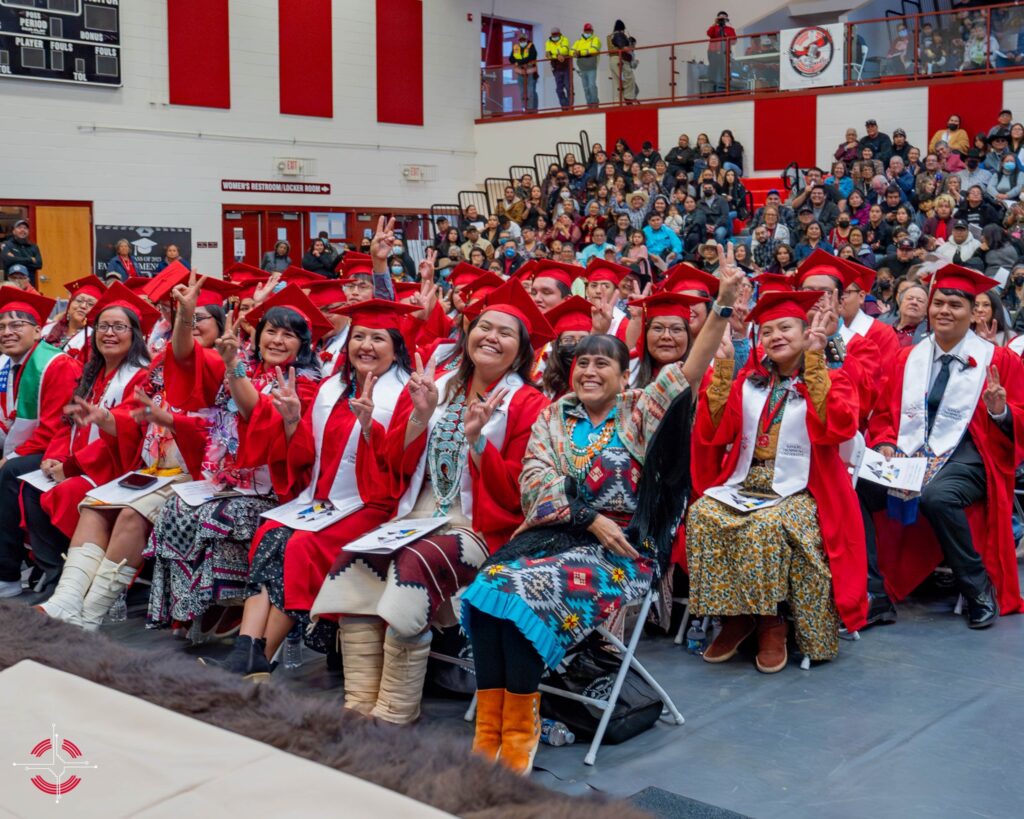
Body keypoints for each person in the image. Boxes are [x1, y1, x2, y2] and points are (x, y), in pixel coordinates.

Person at [460, 258, 743, 774]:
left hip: (625, 552)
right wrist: (588, 518)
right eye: (582, 364)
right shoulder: (554, 415)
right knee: (486, 588)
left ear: (622, 374)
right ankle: (490, 731)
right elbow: (535, 482)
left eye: (602, 365)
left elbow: (691, 369)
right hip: (558, 537)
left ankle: (519, 738)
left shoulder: (640, 409)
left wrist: (722, 305)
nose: (589, 372)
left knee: (520, 593)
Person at [312, 279, 552, 725]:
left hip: (479, 526)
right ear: (468, 334)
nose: (491, 337)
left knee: (414, 564)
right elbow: (394, 464)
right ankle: (359, 703)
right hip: (417, 514)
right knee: (356, 558)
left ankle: (396, 711)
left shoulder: (529, 404)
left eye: (505, 333)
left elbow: (521, 491)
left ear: (521, 351)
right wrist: (419, 417)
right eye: (484, 327)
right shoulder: (438, 385)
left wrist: (478, 443)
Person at [36, 276, 232, 629]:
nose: (191, 324)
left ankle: (89, 615)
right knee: (95, 506)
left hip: (195, 473)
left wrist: (170, 420)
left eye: (200, 317)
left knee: (129, 513)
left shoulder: (221, 365)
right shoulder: (159, 365)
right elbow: (135, 419)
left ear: (221, 325)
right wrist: (106, 419)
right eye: (184, 316)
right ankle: (66, 600)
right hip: (152, 469)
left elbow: (219, 428)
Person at [688, 286, 867, 672]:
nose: (775, 337)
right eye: (767, 331)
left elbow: (839, 428)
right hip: (748, 480)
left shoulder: (832, 376)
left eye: (785, 328)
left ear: (805, 333)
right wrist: (722, 370)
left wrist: (815, 364)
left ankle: (772, 621)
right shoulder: (751, 381)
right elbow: (717, 432)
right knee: (702, 514)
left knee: (765, 525)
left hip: (808, 487)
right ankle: (737, 615)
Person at [146, 284, 328, 631]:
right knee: (175, 508)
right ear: (257, 336)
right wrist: (186, 315)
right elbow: (186, 357)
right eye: (271, 331)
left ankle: (233, 599)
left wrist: (232, 365)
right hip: (230, 481)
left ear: (303, 345)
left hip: (276, 490)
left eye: (288, 335)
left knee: (218, 516)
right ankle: (197, 605)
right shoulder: (246, 367)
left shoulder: (305, 385)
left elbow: (254, 412)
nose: (277, 340)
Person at [861, 264, 1024, 628]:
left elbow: (1020, 413)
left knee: (937, 496)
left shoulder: (997, 360)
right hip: (910, 454)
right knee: (858, 487)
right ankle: (876, 593)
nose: (944, 311)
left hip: (971, 458)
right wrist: (885, 441)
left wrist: (1000, 411)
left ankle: (977, 587)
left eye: (955, 304)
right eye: (939, 303)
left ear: (973, 312)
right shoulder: (908, 358)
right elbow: (884, 413)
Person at [20, 284, 157, 594]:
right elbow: (67, 423)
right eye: (103, 327)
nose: (109, 333)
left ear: (135, 335)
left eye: (119, 327)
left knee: (68, 491)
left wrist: (71, 466)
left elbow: (129, 430)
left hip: (115, 467)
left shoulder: (140, 376)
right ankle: (56, 570)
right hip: (79, 463)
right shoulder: (92, 373)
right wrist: (54, 457)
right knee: (28, 487)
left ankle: (84, 577)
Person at [0, 289, 81, 599]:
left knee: (10, 472)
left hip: (62, 450)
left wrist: (11, 457)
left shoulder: (55, 365)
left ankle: (7, 573)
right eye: (1, 326)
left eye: (16, 325)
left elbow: (56, 427)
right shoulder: (11, 366)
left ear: (37, 331)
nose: (7, 332)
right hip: (37, 446)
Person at [41, 275, 102, 364]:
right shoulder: (47, 328)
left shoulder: (93, 339)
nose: (83, 306)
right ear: (69, 306)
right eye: (79, 301)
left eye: (90, 304)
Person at [2, 219, 42, 287]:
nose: (22, 230)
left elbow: (39, 264)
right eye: (19, 227)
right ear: (14, 231)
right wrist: (30, 259)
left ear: (28, 232)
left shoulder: (33, 247)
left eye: (25, 228)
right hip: (11, 284)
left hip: (29, 285)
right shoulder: (7, 244)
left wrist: (15, 259)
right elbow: (7, 260)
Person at [706, 11, 736, 93]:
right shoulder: (714, 27)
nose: (722, 20)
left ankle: (725, 89)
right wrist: (715, 23)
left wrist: (726, 36)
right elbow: (709, 33)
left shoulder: (730, 29)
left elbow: (734, 41)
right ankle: (712, 91)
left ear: (726, 19)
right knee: (713, 71)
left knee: (725, 71)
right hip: (713, 53)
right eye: (720, 18)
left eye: (723, 18)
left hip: (725, 53)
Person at [572, 23, 601, 107]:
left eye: (589, 30)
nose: (587, 32)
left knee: (592, 86)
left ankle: (595, 103)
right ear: (583, 31)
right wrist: (575, 53)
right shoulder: (578, 41)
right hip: (582, 67)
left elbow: (594, 50)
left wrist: (580, 53)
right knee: (586, 88)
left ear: (592, 31)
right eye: (586, 30)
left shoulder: (595, 39)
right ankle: (589, 104)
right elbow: (571, 51)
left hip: (591, 67)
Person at [609, 20, 637, 103]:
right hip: (619, 60)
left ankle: (619, 102)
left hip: (613, 60)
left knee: (618, 83)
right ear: (622, 28)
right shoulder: (618, 35)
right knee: (629, 78)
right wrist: (630, 48)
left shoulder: (611, 36)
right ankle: (628, 99)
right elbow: (623, 47)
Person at [510, 31, 539, 112]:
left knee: (530, 92)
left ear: (526, 39)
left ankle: (531, 109)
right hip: (520, 73)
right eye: (520, 40)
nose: (522, 41)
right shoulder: (516, 47)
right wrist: (522, 62)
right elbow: (511, 59)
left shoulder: (531, 46)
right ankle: (524, 108)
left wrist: (519, 62)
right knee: (522, 92)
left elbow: (532, 56)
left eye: (523, 39)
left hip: (531, 72)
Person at [545, 27, 572, 109]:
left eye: (556, 34)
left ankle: (570, 106)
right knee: (559, 90)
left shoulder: (565, 40)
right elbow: (548, 54)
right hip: (556, 68)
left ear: (559, 33)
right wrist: (557, 55)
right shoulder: (548, 42)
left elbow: (565, 50)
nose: (554, 36)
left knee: (568, 87)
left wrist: (554, 54)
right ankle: (565, 106)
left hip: (566, 66)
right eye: (553, 34)